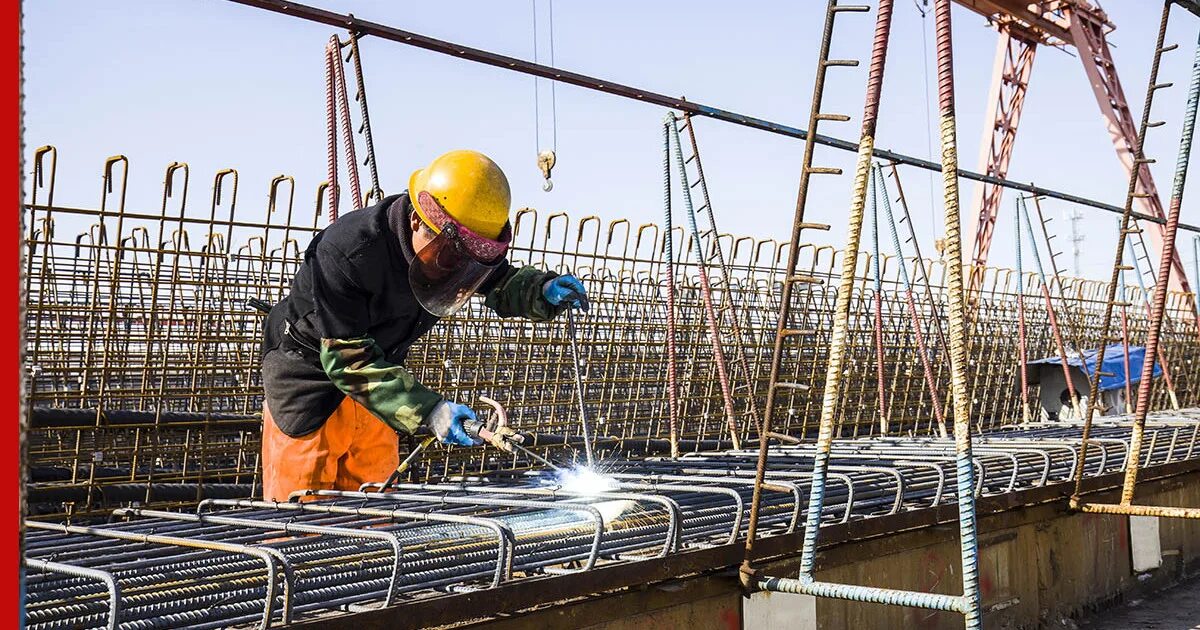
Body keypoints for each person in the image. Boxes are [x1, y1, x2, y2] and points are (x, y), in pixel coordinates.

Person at [259, 149, 588, 501]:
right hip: (309, 386)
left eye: (471, 263)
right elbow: (347, 357)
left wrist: (541, 290)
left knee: (374, 512)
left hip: (380, 388)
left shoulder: (454, 254)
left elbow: (498, 281)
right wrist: (430, 410)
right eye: (452, 257)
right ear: (418, 221)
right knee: (299, 518)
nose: (458, 271)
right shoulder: (347, 250)